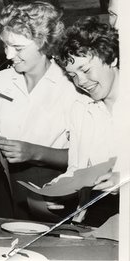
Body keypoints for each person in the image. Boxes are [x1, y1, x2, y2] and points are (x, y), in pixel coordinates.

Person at [0, 1, 84, 219]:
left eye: (18, 48)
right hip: (1, 187)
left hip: (50, 190)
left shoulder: (71, 87)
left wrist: (35, 152)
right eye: (5, 45)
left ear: (43, 43)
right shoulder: (2, 80)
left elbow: (84, 156)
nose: (8, 55)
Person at [50, 17, 120, 226]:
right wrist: (58, 189)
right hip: (102, 220)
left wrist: (123, 179)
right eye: (72, 75)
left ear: (112, 58)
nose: (81, 82)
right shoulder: (80, 108)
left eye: (86, 70)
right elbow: (78, 169)